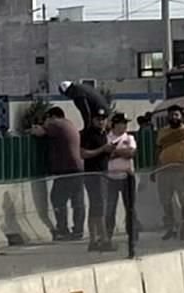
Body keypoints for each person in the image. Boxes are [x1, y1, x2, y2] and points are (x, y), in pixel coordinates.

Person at [32, 107, 85, 241]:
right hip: (78, 168)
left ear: (52, 116)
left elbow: (39, 132)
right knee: (77, 201)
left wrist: (34, 128)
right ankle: (78, 230)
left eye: (47, 119)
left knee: (57, 199)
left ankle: (63, 229)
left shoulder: (55, 124)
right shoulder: (69, 124)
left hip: (66, 169)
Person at [156, 105, 184, 240]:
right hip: (164, 171)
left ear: (181, 116)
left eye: (176, 115)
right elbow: (158, 151)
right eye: (171, 115)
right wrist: (156, 169)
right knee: (166, 201)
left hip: (182, 171)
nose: (173, 117)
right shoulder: (163, 132)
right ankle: (171, 228)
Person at [80, 108, 115, 251]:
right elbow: (83, 153)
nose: (101, 121)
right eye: (98, 119)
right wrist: (102, 149)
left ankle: (94, 240)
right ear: (93, 120)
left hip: (103, 173)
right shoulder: (89, 134)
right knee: (99, 206)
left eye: (103, 119)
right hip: (93, 174)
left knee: (97, 207)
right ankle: (103, 238)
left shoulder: (104, 134)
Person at [106, 113, 137, 244]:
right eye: (122, 123)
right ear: (115, 124)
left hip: (126, 176)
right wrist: (119, 153)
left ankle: (132, 234)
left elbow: (130, 153)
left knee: (130, 207)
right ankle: (108, 235)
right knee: (110, 208)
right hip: (111, 177)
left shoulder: (129, 138)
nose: (124, 126)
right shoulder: (107, 138)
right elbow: (106, 155)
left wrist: (116, 152)